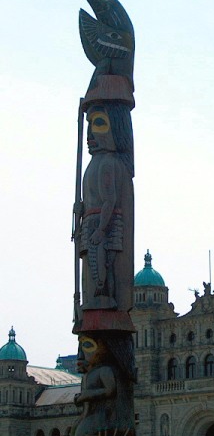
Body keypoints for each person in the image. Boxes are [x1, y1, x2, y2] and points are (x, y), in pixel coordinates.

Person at [79, 102, 134, 313]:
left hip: (103, 222)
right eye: (89, 127)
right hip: (92, 220)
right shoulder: (94, 163)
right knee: (91, 265)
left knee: (101, 264)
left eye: (99, 124)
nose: (90, 135)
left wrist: (101, 228)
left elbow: (109, 199)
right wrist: (80, 209)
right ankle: (94, 297)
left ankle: (105, 297)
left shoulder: (108, 162)